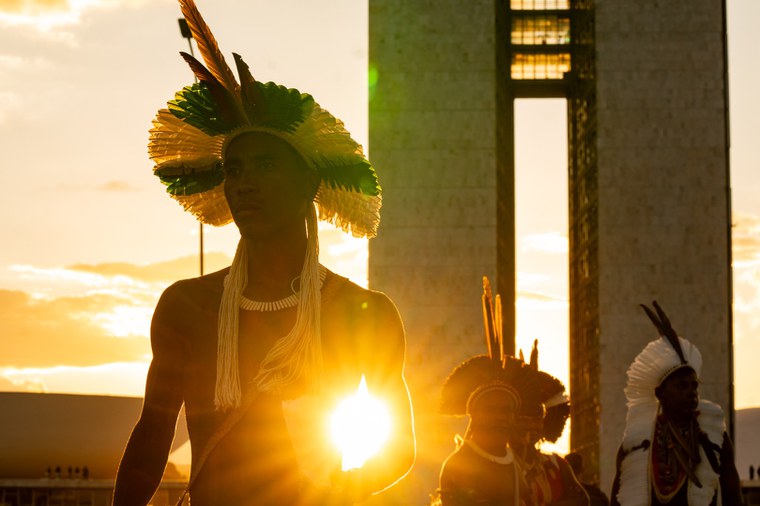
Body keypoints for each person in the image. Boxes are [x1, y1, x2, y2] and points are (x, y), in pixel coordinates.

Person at [112, 1, 415, 504]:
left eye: (266, 166)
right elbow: (152, 436)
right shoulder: (185, 307)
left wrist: (336, 491)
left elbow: (401, 447)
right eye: (235, 170)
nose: (245, 183)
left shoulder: (366, 314)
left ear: (309, 184)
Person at [609, 301, 743, 506]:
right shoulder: (637, 443)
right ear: (660, 394)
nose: (691, 393)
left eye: (694, 386)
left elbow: (734, 498)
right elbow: (617, 501)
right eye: (681, 387)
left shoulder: (714, 438)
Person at [433, 278, 532, 506]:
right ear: (474, 414)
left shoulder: (514, 465)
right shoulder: (458, 465)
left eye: (506, 411)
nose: (500, 417)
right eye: (491, 410)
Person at [505, 341, 589, 506]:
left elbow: (582, 500)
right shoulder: (497, 465)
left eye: (536, 418)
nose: (530, 426)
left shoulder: (557, 465)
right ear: (509, 421)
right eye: (523, 418)